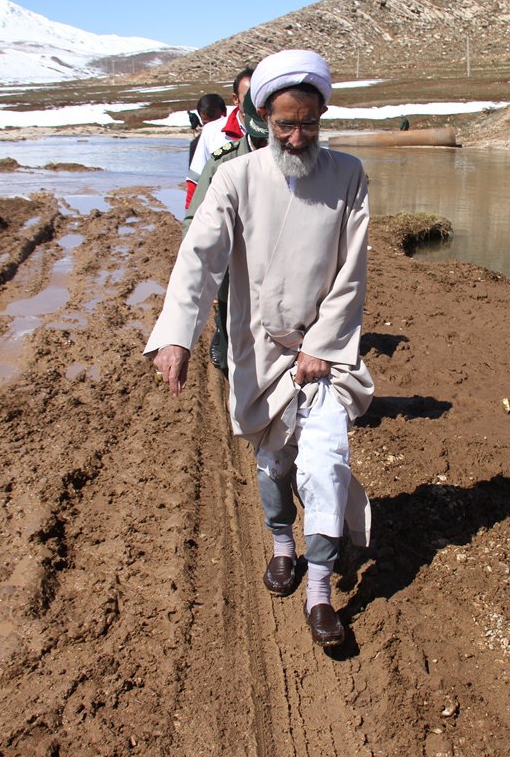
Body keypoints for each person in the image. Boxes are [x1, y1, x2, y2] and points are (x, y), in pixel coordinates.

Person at [147, 49, 373, 648]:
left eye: (309, 124)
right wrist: (176, 334)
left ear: (323, 115)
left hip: (325, 354)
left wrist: (323, 344)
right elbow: (200, 259)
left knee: (325, 464)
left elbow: (352, 271)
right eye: (284, 124)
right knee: (273, 461)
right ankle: (281, 545)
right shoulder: (236, 179)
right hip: (260, 352)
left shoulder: (348, 174)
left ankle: (320, 591)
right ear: (262, 117)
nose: (297, 137)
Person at [183, 91, 271, 373]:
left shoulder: (299, 160)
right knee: (232, 330)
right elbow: (195, 220)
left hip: (277, 279)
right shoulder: (224, 161)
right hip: (231, 270)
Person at [185, 67, 254, 208]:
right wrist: (190, 224)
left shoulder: (278, 132)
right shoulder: (212, 132)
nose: (254, 102)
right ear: (236, 99)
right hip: (221, 216)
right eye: (248, 97)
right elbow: (195, 182)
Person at [188, 93, 227, 166]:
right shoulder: (196, 144)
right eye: (207, 124)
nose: (211, 128)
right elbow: (194, 176)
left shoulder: (239, 137)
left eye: (216, 123)